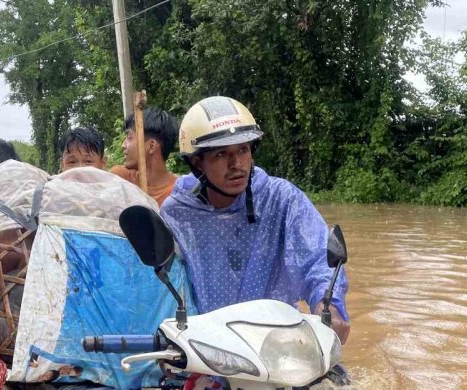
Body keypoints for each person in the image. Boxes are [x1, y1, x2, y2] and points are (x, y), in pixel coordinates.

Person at [160, 96, 350, 343]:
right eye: (221, 154)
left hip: (280, 340)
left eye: (243, 149)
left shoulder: (281, 198)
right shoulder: (177, 213)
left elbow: (316, 257)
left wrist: (328, 305)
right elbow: (165, 284)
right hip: (208, 345)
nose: (237, 164)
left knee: (338, 383)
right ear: (197, 162)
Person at [109, 108, 179, 206]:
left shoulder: (180, 194)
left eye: (129, 138)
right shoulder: (120, 179)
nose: (123, 145)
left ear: (151, 146)